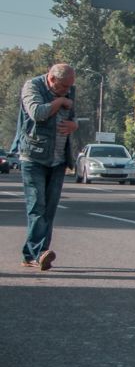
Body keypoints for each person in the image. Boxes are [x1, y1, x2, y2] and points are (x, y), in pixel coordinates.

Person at [15, 64, 78, 271]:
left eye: (70, 87)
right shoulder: (32, 86)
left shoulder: (69, 89)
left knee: (49, 209)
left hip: (58, 159)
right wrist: (59, 101)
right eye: (63, 87)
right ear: (51, 79)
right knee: (37, 206)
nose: (67, 91)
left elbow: (71, 116)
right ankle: (37, 253)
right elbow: (37, 113)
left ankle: (35, 253)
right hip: (34, 157)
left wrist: (74, 125)